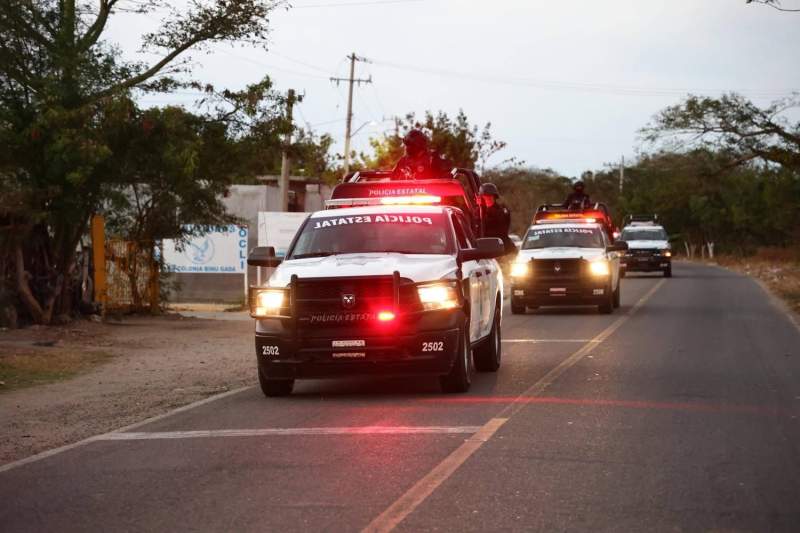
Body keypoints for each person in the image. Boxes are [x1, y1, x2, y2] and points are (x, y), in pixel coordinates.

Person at [480, 183, 516, 255]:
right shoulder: (479, 211)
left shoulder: (501, 210)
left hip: (504, 249)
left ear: (494, 197)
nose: (488, 199)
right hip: (486, 250)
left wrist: (486, 210)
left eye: (490, 196)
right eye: (485, 197)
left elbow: (500, 219)